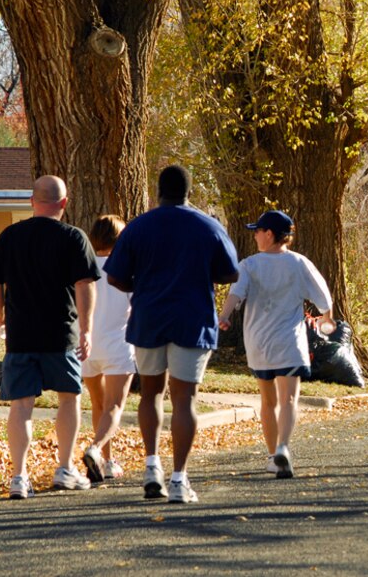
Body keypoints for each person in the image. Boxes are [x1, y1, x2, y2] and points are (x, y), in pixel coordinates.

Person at [104, 165, 239, 503]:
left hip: (149, 317)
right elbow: (230, 272)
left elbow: (115, 276)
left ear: (158, 190)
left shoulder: (138, 227)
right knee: (185, 398)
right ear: (188, 192)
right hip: (192, 319)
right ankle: (179, 479)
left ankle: (152, 467)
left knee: (150, 393)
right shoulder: (208, 226)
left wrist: (142, 286)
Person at [0, 175, 99, 500]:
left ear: (32, 201)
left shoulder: (10, 236)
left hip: (20, 335)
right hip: (61, 333)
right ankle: (64, 468)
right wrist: (87, 329)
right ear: (63, 203)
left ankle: (19, 476)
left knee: (21, 405)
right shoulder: (74, 238)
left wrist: (0, 317)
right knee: (68, 397)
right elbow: (85, 285)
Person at [217, 210, 333, 479]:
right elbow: (323, 296)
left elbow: (236, 293)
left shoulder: (249, 265)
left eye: (257, 230)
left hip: (258, 343)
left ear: (269, 234)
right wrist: (328, 319)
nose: (255, 235)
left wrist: (224, 316)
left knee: (267, 401)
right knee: (289, 398)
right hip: (289, 343)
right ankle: (283, 447)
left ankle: (273, 457)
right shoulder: (299, 263)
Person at [80, 215, 136, 483]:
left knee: (98, 405)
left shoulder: (84, 267)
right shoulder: (125, 269)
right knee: (114, 406)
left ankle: (106, 460)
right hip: (118, 345)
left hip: (88, 346)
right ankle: (96, 449)